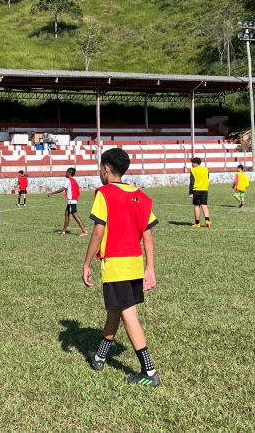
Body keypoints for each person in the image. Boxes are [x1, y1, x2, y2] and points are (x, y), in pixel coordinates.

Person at [82, 148, 160, 387]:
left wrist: (86, 263)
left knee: (128, 314)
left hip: (116, 265)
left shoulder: (104, 194)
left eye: (99, 168)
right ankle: (100, 356)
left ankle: (149, 371)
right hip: (135, 264)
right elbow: (147, 235)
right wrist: (150, 267)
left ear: (105, 169)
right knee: (115, 311)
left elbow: (98, 231)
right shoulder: (141, 196)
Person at [48, 167, 87, 236]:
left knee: (75, 215)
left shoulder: (68, 180)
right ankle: (63, 231)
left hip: (71, 201)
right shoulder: (73, 180)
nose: (65, 173)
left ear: (69, 173)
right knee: (66, 214)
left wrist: (52, 193)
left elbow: (63, 189)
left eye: (66, 172)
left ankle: (84, 231)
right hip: (72, 200)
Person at [189, 157, 211, 227]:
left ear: (195, 163)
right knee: (204, 205)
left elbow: (192, 181)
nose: (192, 164)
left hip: (196, 189)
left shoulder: (193, 170)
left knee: (197, 206)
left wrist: (190, 192)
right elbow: (207, 178)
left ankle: (197, 223)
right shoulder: (205, 169)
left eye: (192, 163)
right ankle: (207, 220)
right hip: (204, 189)